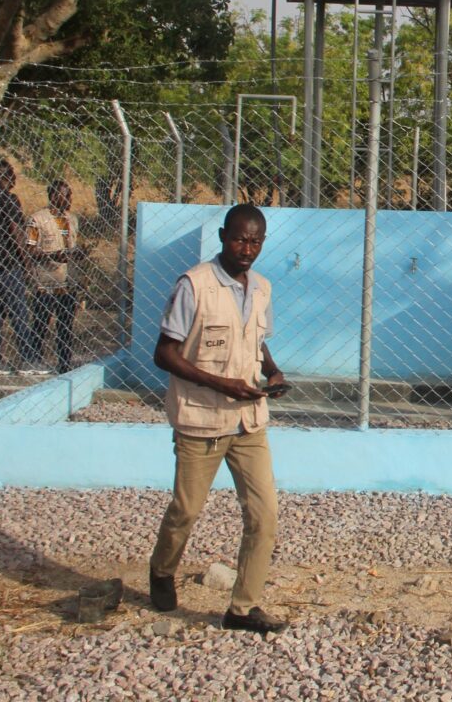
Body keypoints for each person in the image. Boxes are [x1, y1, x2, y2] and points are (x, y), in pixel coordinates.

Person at [148, 204, 289, 634]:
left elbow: (256, 339)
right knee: (186, 510)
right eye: (239, 239)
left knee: (264, 515)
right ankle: (161, 570)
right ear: (223, 236)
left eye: (256, 242)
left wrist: (272, 370)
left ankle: (242, 609)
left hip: (248, 422)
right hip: (201, 421)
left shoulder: (261, 288)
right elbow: (164, 354)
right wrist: (222, 384)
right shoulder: (195, 286)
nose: (247, 249)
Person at [0, 160, 36, 375]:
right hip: (8, 263)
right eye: (12, 174)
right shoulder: (10, 199)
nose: (14, 178)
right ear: (6, 177)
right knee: (19, 311)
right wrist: (27, 262)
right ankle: (27, 359)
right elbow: (15, 231)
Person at [25, 180, 86, 373]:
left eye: (70, 195)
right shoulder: (37, 220)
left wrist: (78, 253)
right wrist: (52, 255)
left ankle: (64, 362)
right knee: (42, 321)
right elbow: (29, 249)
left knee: (66, 324)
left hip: (67, 280)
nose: (69, 199)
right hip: (46, 280)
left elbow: (72, 245)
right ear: (53, 197)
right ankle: (34, 359)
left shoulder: (72, 219)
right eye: (65, 195)